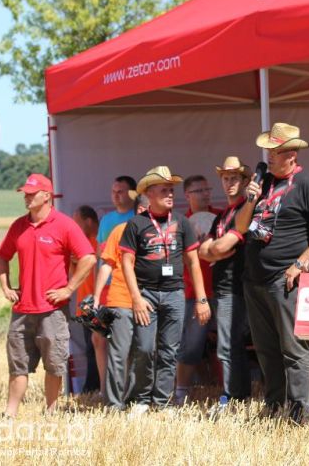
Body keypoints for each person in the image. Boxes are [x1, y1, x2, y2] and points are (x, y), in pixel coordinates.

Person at [235, 122, 309, 424]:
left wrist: (300, 263)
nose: (268, 154)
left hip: (285, 280)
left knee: (293, 349)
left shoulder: (307, 184)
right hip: (254, 279)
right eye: (268, 149)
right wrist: (250, 198)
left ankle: (299, 412)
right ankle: (274, 404)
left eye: (274, 150)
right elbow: (241, 228)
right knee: (266, 349)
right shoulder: (262, 182)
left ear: (290, 154)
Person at [0, 173, 95, 418]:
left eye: (32, 193)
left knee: (54, 365)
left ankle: (50, 413)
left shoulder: (64, 225)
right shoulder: (18, 226)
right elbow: (1, 256)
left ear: (47, 196)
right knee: (17, 366)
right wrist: (6, 287)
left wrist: (69, 289)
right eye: (25, 193)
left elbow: (89, 257)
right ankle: (9, 414)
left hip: (53, 310)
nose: (27, 197)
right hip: (22, 310)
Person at [121, 166, 211, 412]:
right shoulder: (136, 224)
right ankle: (141, 399)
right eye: (164, 190)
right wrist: (136, 298)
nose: (171, 194)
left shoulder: (182, 222)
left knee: (169, 350)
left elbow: (193, 262)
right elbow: (126, 263)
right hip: (146, 293)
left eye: (172, 190)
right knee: (145, 348)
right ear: (149, 193)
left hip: (175, 294)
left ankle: (162, 402)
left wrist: (202, 300)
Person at [198, 156, 253, 401]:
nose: (229, 182)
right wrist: (213, 249)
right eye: (225, 178)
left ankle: (234, 396)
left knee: (229, 345)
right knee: (228, 345)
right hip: (223, 287)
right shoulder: (222, 216)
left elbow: (220, 248)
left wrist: (214, 249)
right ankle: (235, 395)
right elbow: (204, 250)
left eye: (234, 178)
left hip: (237, 286)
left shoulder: (244, 210)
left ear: (244, 181)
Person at [93, 193, 149, 410]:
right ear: (143, 210)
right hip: (120, 300)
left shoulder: (160, 233)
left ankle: (136, 399)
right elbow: (106, 264)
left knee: (144, 351)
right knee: (119, 354)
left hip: (149, 301)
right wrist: (97, 297)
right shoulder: (119, 231)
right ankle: (114, 404)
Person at [175, 175, 221, 403]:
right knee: (191, 345)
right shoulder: (181, 223)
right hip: (193, 294)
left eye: (207, 189)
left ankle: (226, 391)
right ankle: (181, 391)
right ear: (188, 195)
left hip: (222, 290)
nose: (205, 193)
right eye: (199, 190)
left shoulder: (221, 217)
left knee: (227, 344)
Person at [69, 205, 100, 394]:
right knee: (90, 348)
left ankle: (92, 387)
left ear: (89, 221)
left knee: (94, 348)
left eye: (77, 223)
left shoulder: (98, 241)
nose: (74, 227)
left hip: (96, 303)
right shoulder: (83, 243)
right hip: (84, 305)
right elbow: (74, 275)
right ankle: (92, 387)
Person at [98, 176, 137, 247]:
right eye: (113, 191)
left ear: (132, 194)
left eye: (120, 192)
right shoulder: (105, 219)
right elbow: (99, 248)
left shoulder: (140, 218)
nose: (115, 195)